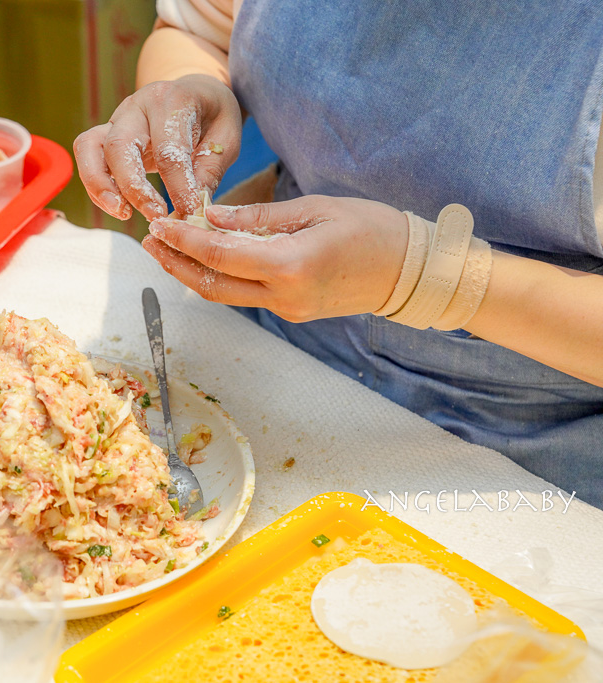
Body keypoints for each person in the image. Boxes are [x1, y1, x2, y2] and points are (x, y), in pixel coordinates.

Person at [73, 0, 603, 508]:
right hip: (266, 352)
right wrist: (195, 89)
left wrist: (423, 276)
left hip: (527, 462)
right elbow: (194, 31)